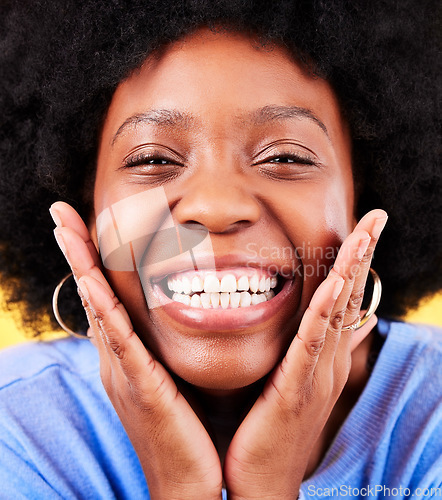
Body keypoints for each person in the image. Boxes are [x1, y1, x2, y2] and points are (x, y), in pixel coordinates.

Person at [0, 1, 441, 499]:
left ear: (363, 193)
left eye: (285, 157)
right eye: (153, 159)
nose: (215, 207)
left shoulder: (433, 421)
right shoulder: (16, 432)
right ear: (89, 207)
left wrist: (267, 486)